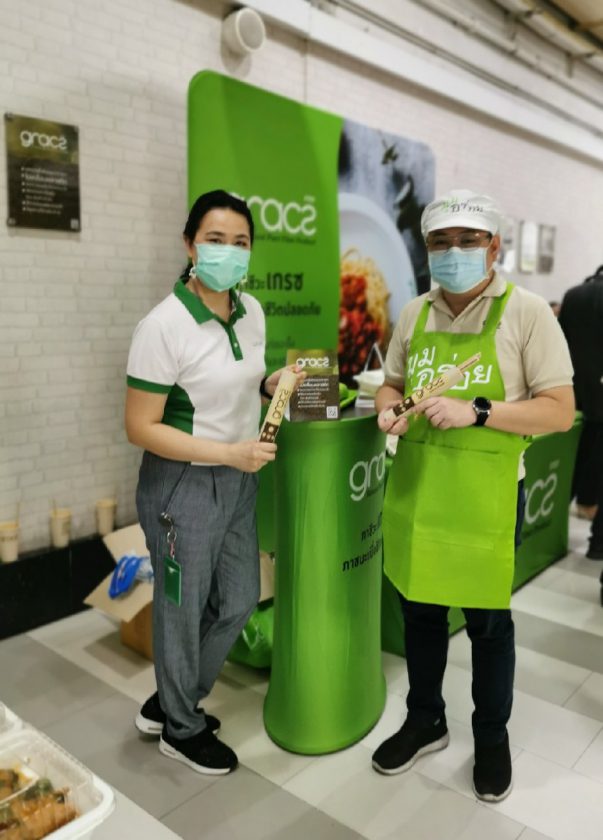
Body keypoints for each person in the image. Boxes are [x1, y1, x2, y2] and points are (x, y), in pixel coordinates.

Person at [372, 189, 574, 801]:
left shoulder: (527, 313)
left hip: (488, 496)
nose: (453, 252)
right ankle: (425, 720)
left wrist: (478, 410)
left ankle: (491, 736)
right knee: (421, 614)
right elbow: (391, 384)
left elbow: (558, 410)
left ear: (494, 247)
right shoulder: (414, 313)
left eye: (467, 240)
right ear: (426, 249)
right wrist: (389, 410)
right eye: (441, 241)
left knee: (488, 623)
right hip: (420, 489)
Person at [125, 190, 301, 775]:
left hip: (239, 478)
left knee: (239, 599)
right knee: (181, 609)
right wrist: (228, 452)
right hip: (183, 487)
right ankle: (181, 727)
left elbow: (237, 382)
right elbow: (140, 426)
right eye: (216, 240)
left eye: (241, 242)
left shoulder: (252, 313)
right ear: (190, 245)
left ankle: (173, 698)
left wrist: (270, 384)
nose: (229, 252)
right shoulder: (163, 326)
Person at [558, 265, 603, 555]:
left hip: (571, 390)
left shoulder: (574, 295)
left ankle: (561, 508)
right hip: (599, 393)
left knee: (571, 454)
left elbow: (560, 341)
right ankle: (588, 507)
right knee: (595, 455)